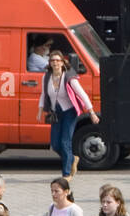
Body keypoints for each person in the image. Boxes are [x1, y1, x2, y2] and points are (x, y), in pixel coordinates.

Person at [38, 49, 98, 179]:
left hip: (69, 111)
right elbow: (44, 94)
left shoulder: (69, 77)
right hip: (55, 112)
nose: (55, 63)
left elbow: (82, 95)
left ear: (63, 62)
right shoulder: (46, 76)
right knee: (55, 144)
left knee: (65, 142)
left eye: (57, 60)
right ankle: (72, 158)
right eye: (52, 60)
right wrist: (40, 111)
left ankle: (66, 174)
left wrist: (92, 112)